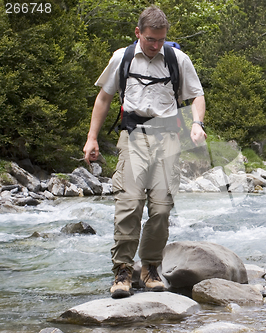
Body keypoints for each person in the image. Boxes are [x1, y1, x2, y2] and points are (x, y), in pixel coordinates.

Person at [83, 5, 206, 299]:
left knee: (161, 208)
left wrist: (197, 123)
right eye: (151, 39)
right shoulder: (121, 58)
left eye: (161, 39)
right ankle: (122, 272)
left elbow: (196, 95)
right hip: (133, 135)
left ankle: (150, 267)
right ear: (138, 33)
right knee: (129, 203)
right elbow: (104, 98)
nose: (155, 45)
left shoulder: (178, 59)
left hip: (168, 137)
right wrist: (92, 138)